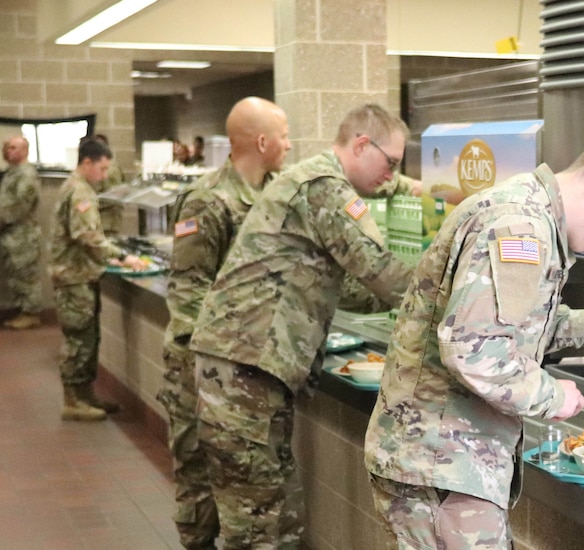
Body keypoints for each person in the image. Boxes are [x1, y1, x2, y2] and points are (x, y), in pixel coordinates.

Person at [364, 135, 584, 549]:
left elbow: (505, 319)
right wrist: (550, 395)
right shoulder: (521, 226)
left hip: (443, 462)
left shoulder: (527, 210)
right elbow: (474, 349)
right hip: (441, 462)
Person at [188, 103, 416, 548]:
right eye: (390, 162)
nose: (391, 174)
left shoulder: (312, 181)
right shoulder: (325, 187)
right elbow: (383, 272)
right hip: (242, 369)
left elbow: (335, 284)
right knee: (254, 524)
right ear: (362, 144)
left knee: (278, 514)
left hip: (250, 366)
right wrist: (458, 298)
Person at [158, 97, 291, 550]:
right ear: (261, 140)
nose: (289, 145)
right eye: (284, 135)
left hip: (252, 373)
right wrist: (217, 372)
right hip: (201, 370)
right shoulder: (208, 200)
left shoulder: (278, 195)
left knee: (249, 498)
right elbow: (188, 295)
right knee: (198, 488)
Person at [49, 138, 147, 422]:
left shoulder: (80, 187)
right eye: (102, 169)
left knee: (89, 338)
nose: (105, 176)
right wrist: (121, 256)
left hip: (81, 274)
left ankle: (85, 394)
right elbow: (87, 235)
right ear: (87, 162)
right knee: (78, 339)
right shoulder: (80, 192)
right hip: (73, 276)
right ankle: (72, 400)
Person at [0, 136, 44, 330]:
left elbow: (18, 206)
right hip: (11, 234)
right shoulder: (12, 172)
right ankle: (23, 311)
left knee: (26, 275)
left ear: (25, 151)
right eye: (7, 148)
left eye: (14, 148)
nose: (9, 151)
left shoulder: (26, 174)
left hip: (22, 234)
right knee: (16, 275)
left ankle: (32, 314)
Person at [94, 134, 125, 236]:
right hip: (108, 219)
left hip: (105, 220)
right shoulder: (111, 165)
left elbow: (112, 196)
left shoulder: (107, 168)